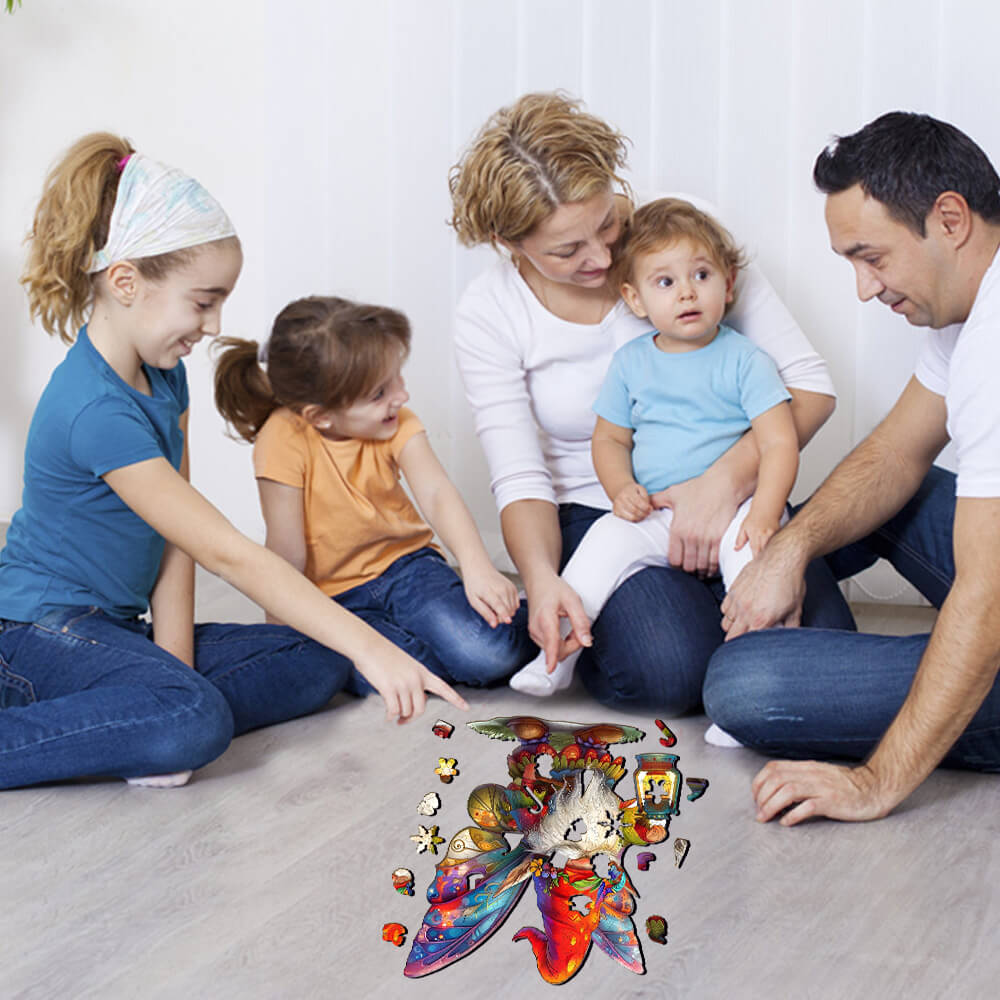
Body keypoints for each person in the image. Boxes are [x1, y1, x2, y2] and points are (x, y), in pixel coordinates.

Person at [0, 133, 466, 792]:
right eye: (202, 300)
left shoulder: (166, 378)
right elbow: (229, 552)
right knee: (191, 720)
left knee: (313, 656)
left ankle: (130, 715)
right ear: (126, 281)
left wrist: (176, 665)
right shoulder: (93, 409)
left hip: (115, 628)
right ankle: (133, 718)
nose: (215, 322)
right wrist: (375, 650)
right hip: (38, 632)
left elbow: (179, 545)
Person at [451, 92, 855, 714]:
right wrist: (542, 580)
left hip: (738, 487)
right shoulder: (490, 311)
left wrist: (722, 485)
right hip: (605, 509)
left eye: (607, 222)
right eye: (568, 251)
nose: (604, 257)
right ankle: (629, 627)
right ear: (510, 243)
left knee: (824, 644)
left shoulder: (684, 244)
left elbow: (809, 387)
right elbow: (521, 476)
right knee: (673, 672)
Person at [703, 111, 1000, 825]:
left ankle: (893, 680)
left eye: (873, 257)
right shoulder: (968, 308)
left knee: (747, 684)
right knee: (882, 496)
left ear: (950, 218)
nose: (866, 289)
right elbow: (895, 453)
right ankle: (794, 611)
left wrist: (874, 783)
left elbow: (988, 598)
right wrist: (789, 552)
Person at [509, 198, 798, 696]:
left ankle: (753, 689)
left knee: (755, 580)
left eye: (702, 275)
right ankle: (554, 657)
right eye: (665, 282)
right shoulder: (631, 363)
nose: (687, 292)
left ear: (729, 285)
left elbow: (779, 443)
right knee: (599, 550)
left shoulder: (745, 360)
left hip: (736, 510)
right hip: (656, 510)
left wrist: (765, 515)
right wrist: (621, 489)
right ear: (636, 299)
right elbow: (611, 438)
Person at [213, 296, 535, 690]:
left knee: (486, 655)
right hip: (335, 596)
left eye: (397, 378)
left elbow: (436, 493)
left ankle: (533, 613)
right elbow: (286, 551)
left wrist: (477, 567)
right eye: (380, 393)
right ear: (321, 415)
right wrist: (285, 632)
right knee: (372, 675)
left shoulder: (397, 421)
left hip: (408, 568)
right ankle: (447, 644)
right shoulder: (280, 438)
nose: (401, 397)